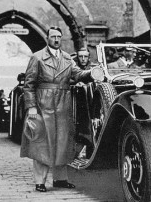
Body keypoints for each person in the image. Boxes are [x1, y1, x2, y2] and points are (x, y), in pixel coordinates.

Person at [20, 26, 92, 192]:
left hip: (63, 103)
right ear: (48, 38)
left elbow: (78, 74)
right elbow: (28, 84)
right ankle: (40, 181)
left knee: (63, 141)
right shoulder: (37, 58)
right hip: (43, 102)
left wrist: (91, 73)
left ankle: (60, 179)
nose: (56, 39)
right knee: (41, 142)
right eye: (53, 36)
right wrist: (31, 107)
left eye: (59, 36)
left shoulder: (67, 58)